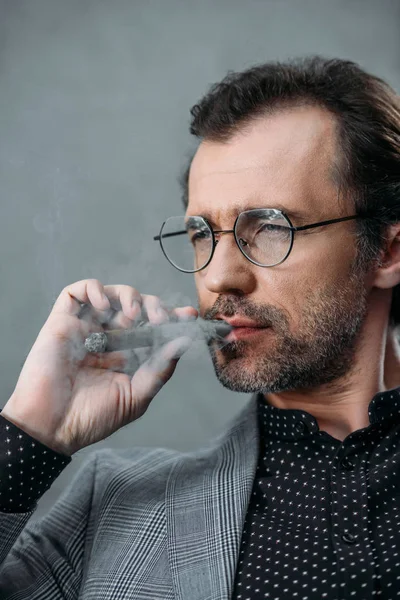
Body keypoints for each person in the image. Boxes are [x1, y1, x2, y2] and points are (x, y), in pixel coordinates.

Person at [0, 55, 399, 599]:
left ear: (388, 251)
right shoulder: (111, 508)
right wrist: (29, 432)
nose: (218, 276)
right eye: (202, 234)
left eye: (269, 228)